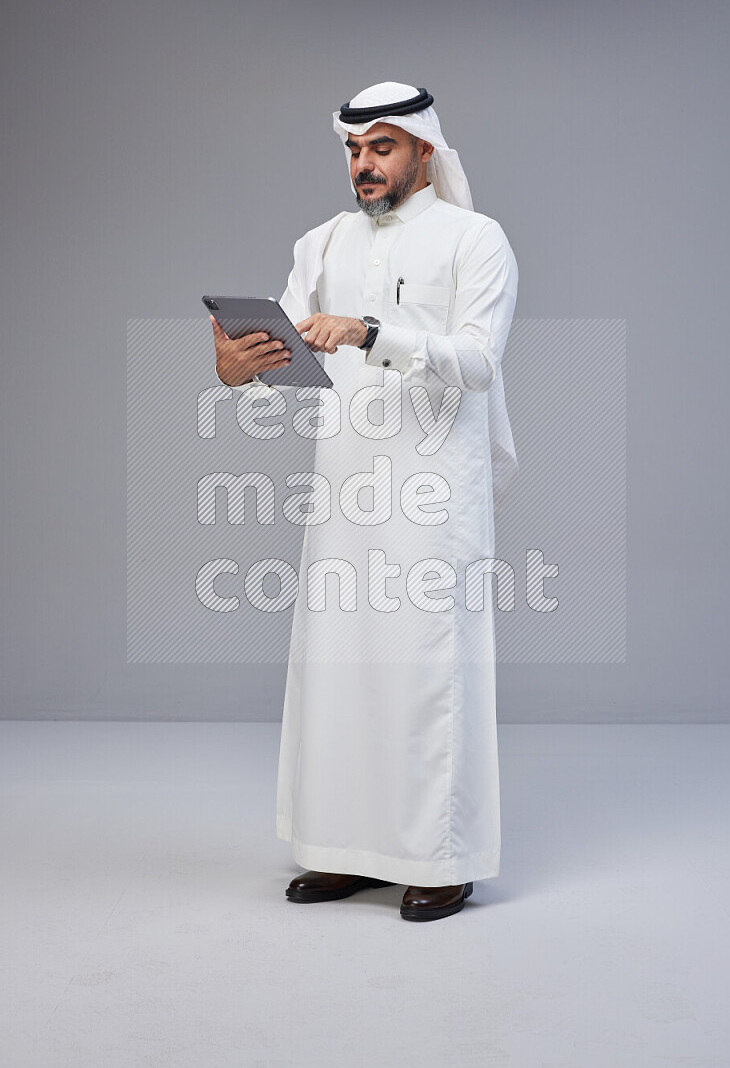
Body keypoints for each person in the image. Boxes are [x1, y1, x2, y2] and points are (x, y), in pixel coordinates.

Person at [211, 82, 519, 921]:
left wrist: (371, 332)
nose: (364, 163)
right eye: (354, 149)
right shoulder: (321, 243)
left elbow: (479, 360)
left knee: (426, 672)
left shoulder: (475, 239)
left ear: (423, 150)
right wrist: (235, 366)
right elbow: (273, 353)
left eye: (382, 147)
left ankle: (439, 859)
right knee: (338, 668)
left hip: (432, 496)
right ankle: (343, 851)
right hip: (343, 486)